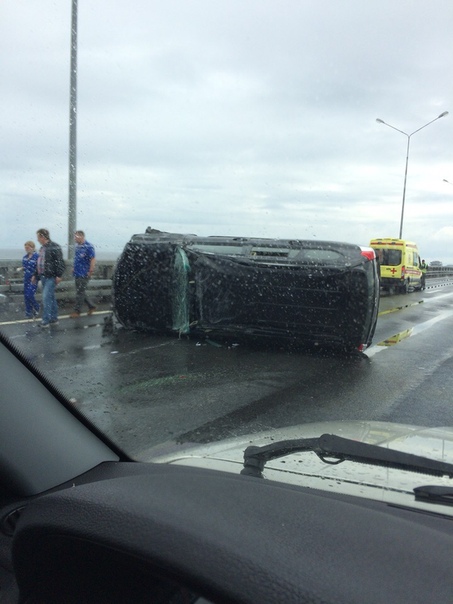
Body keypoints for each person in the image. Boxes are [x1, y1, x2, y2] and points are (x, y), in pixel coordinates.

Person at [31, 229, 65, 328]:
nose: (37, 239)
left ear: (43, 237)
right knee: (51, 297)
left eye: (38, 237)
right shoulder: (42, 248)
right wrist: (35, 275)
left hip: (51, 276)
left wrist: (59, 275)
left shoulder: (54, 246)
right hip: (43, 276)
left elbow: (60, 262)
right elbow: (40, 263)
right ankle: (54, 319)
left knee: (46, 298)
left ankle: (45, 321)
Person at [70, 230, 96, 318]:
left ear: (81, 236)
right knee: (80, 291)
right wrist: (74, 267)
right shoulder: (78, 247)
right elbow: (77, 259)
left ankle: (77, 311)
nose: (75, 239)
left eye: (76, 237)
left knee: (79, 293)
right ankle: (91, 306)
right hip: (77, 272)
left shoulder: (88, 246)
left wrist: (91, 270)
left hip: (84, 273)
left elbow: (92, 259)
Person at [18, 241, 40, 318]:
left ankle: (37, 307)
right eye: (26, 247)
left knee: (30, 294)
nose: (27, 249)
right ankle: (28, 312)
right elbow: (25, 266)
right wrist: (21, 268)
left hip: (33, 278)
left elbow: (39, 267)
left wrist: (35, 275)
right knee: (26, 296)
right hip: (26, 278)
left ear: (33, 247)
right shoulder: (24, 257)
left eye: (28, 247)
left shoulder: (37, 256)